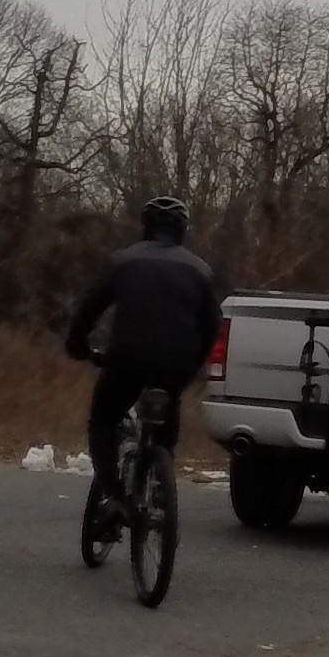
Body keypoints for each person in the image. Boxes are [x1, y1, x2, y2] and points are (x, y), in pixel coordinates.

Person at [65, 196, 221, 534]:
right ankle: (161, 480)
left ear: (146, 227)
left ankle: (113, 497)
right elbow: (211, 328)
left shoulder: (122, 261)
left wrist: (76, 344)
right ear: (181, 231)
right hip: (175, 365)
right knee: (167, 411)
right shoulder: (201, 270)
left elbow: (90, 308)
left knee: (104, 421)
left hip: (126, 360)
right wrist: (193, 365)